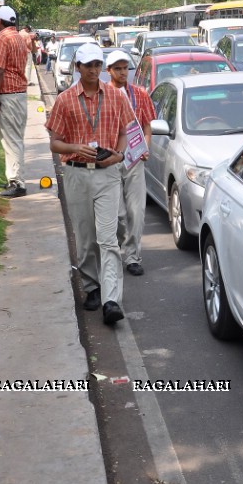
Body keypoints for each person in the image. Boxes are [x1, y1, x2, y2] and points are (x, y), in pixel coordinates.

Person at [46, 43, 135, 326]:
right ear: (78, 68)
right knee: (85, 239)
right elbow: (54, 142)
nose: (94, 70)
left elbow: (124, 131)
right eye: (89, 65)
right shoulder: (65, 100)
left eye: (98, 64)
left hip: (107, 173)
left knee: (107, 238)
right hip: (76, 173)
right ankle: (92, 287)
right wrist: (75, 147)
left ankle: (111, 300)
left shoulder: (117, 96)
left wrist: (119, 155)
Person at [106, 50, 156, 276]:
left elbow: (147, 125)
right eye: (117, 68)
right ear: (109, 71)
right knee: (118, 214)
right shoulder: (102, 95)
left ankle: (133, 256)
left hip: (134, 160)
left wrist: (145, 145)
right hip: (110, 161)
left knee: (137, 211)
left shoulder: (139, 94)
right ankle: (119, 248)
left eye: (125, 68)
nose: (123, 72)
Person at [0, 6, 29, 198]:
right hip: (20, 93)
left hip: (8, 94)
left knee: (11, 140)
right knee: (15, 139)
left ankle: (17, 182)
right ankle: (13, 177)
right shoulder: (20, 37)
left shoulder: (2, 39)